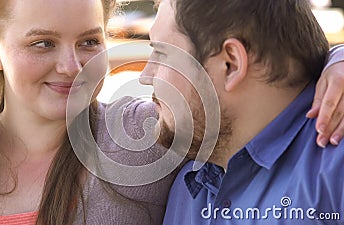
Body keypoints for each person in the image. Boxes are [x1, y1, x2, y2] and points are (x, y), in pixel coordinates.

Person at [0, 0, 344, 225]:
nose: (71, 66)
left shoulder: (146, 136)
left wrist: (336, 61)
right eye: (42, 44)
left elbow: (275, 54)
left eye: (89, 41)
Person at [138, 0, 344, 224]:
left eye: (161, 53)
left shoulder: (334, 171)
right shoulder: (188, 190)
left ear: (232, 64)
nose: (146, 76)